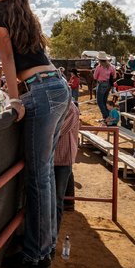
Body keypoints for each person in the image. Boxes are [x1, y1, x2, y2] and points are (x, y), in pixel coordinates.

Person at [0, 0, 69, 268]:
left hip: (41, 91)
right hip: (58, 88)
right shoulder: (24, 15)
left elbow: (7, 59)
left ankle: (35, 256)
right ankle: (44, 249)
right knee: (44, 176)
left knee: (38, 179)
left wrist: (14, 99)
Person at [54, 100, 80, 233]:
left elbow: (55, 132)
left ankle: (52, 238)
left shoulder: (70, 108)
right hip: (55, 159)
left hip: (61, 159)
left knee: (56, 199)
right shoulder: (63, 106)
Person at [93, 52, 116, 120]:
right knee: (104, 101)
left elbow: (95, 77)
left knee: (100, 102)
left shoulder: (98, 67)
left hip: (101, 84)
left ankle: (106, 116)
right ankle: (107, 115)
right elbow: (114, 76)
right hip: (108, 84)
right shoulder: (111, 67)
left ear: (99, 60)